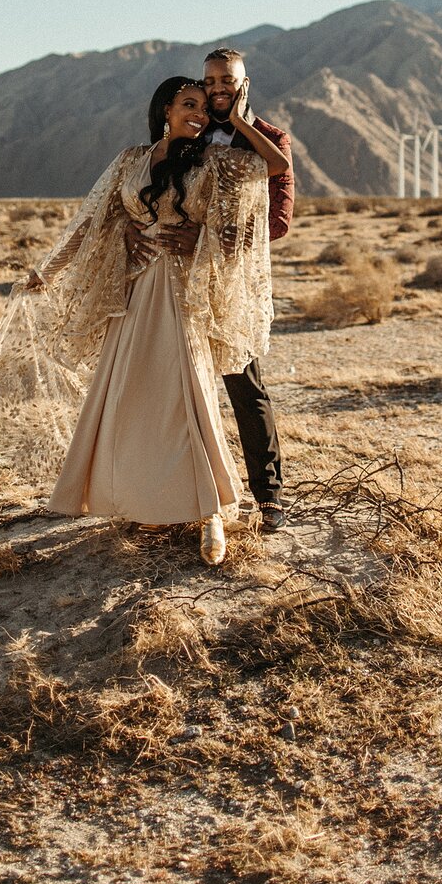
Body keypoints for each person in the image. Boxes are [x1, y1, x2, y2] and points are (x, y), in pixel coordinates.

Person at [0, 75, 290, 566]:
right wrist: (46, 272)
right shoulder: (128, 160)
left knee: (190, 396)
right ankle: (149, 500)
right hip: (136, 291)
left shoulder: (218, 162)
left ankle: (211, 512)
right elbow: (90, 220)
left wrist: (200, 235)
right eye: (189, 104)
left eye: (205, 106)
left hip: (184, 294)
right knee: (135, 397)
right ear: (165, 109)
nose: (200, 114)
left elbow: (273, 166)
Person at [125, 48, 294, 530]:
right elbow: (151, 192)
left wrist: (209, 237)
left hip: (228, 284)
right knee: (175, 390)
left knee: (245, 387)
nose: (217, 90)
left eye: (227, 81)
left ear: (244, 82)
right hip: (171, 283)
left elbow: (276, 222)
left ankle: (269, 496)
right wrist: (134, 229)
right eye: (210, 81)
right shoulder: (191, 134)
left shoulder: (270, 140)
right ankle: (181, 496)